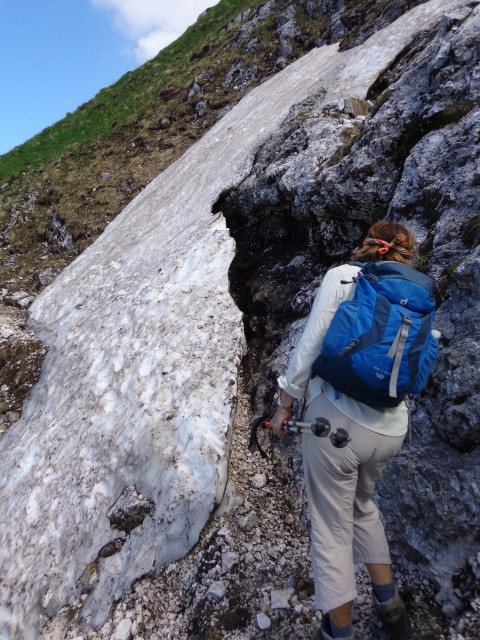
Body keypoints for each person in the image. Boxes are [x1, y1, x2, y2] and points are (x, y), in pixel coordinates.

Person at [269, 220, 415, 640]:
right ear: (406, 255)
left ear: (367, 245)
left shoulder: (344, 277)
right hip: (390, 430)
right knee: (362, 507)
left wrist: (284, 407)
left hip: (337, 426)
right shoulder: (416, 298)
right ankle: (390, 609)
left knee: (332, 532)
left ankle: (338, 634)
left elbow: (309, 347)